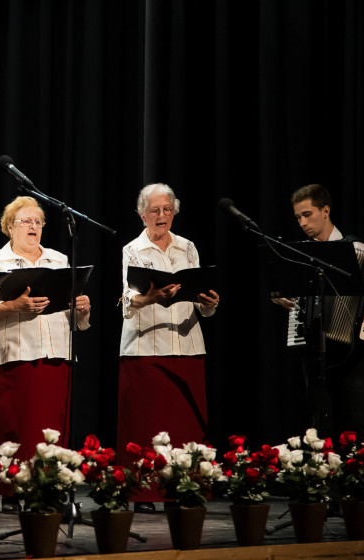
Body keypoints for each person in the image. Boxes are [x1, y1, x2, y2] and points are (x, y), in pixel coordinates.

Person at [0, 196, 91, 513]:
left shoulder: (57, 260)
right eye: (26, 221)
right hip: (12, 354)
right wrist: (15, 306)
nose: (33, 227)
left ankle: (52, 485)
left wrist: (82, 309)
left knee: (51, 426)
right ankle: (13, 489)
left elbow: (75, 318)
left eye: (38, 222)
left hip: (55, 351)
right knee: (16, 424)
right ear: (9, 227)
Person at [116, 183, 220, 513]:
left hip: (187, 344)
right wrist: (150, 298)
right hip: (145, 346)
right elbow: (126, 300)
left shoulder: (188, 248)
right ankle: (143, 492)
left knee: (184, 423)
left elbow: (201, 302)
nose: (162, 216)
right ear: (142, 214)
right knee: (145, 423)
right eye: (155, 211)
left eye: (167, 210)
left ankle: (184, 488)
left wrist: (209, 303)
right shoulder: (132, 249)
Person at [271, 183, 364, 438]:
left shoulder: (357, 250)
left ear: (325, 211)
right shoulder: (300, 254)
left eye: (307, 214)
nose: (302, 222)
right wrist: (279, 297)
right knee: (319, 424)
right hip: (315, 347)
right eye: (297, 217)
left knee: (359, 421)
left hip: (352, 349)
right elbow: (282, 291)